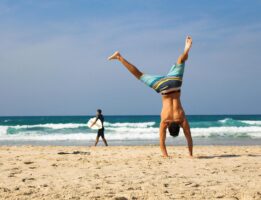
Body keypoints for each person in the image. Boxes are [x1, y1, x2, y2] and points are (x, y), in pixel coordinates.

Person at [108, 36, 193, 157]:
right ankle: (119, 57)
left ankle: (186, 49)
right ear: (168, 127)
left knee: (181, 60)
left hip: (174, 84)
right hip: (162, 88)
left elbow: (189, 138)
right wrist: (165, 155)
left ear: (179, 126)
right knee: (140, 75)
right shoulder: (165, 121)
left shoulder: (181, 119)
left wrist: (191, 154)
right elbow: (162, 142)